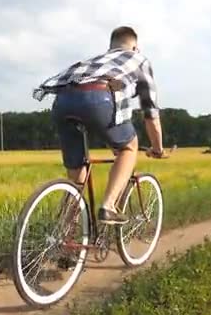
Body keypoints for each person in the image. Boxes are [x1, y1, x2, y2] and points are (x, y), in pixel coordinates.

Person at [32, 26, 166, 225]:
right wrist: (157, 148)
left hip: (62, 102)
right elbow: (150, 113)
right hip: (98, 99)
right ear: (135, 47)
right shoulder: (139, 60)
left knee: (76, 179)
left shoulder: (95, 60)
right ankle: (109, 206)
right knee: (129, 147)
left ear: (111, 46)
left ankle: (64, 239)